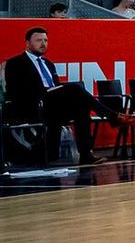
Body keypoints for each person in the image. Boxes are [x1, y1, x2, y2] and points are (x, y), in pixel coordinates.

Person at [4, 26, 97, 163]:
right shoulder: (15, 63)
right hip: (32, 105)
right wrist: (45, 92)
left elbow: (56, 85)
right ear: (27, 43)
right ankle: (114, 116)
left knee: (81, 109)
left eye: (46, 40)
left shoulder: (48, 63)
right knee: (74, 88)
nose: (43, 44)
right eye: (39, 40)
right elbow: (16, 90)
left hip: (52, 105)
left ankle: (85, 155)